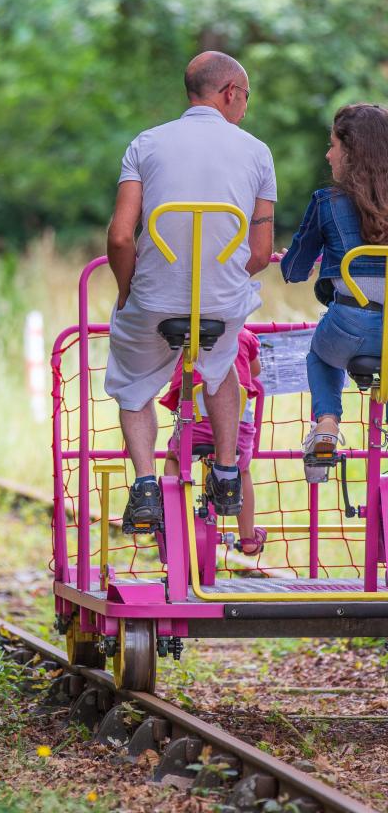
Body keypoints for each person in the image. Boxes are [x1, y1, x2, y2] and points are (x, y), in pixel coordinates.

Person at [105, 51, 276, 534]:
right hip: (220, 302)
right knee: (221, 364)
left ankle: (143, 484)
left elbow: (120, 237)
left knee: (134, 383)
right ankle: (226, 471)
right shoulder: (257, 151)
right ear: (229, 93)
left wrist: (126, 294)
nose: (245, 107)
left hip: (153, 299)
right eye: (245, 96)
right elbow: (260, 253)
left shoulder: (146, 143)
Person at [280, 104, 388, 479]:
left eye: (333, 146)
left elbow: (293, 270)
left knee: (320, 356)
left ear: (352, 150)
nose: (328, 155)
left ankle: (326, 424)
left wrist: (312, 261)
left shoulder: (327, 201)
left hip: (348, 327)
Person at [160, 327, 266, 555]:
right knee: (242, 470)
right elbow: (255, 370)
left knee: (174, 457)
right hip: (236, 426)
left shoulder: (184, 334)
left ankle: (175, 517)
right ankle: (248, 537)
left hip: (195, 423)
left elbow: (170, 370)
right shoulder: (244, 335)